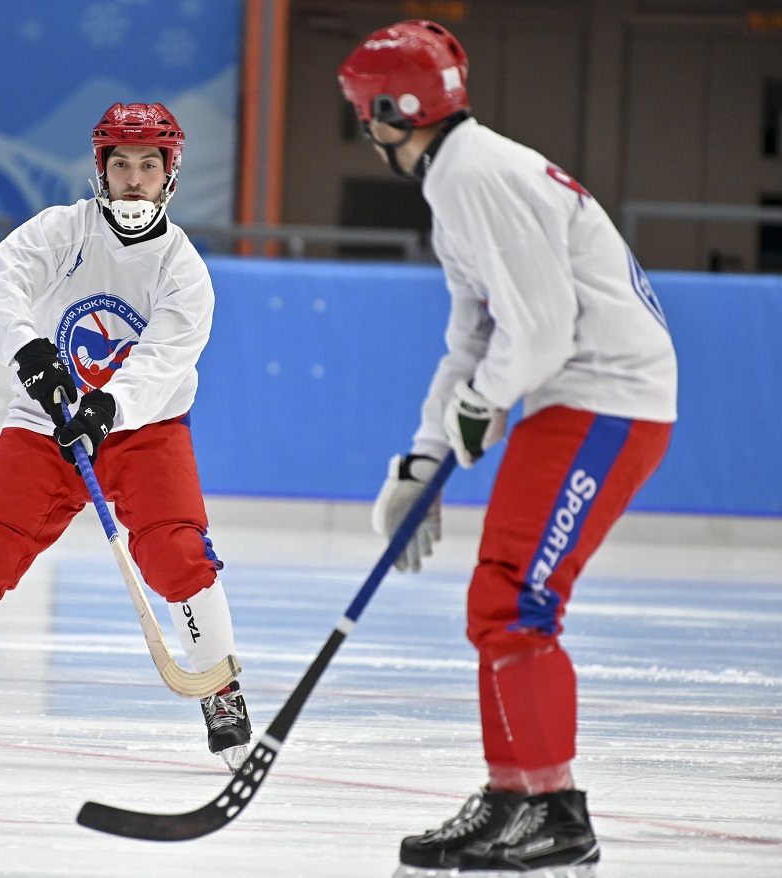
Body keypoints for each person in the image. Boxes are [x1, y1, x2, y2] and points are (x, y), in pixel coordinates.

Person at [338, 19, 677, 878]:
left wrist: (475, 417)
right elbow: (473, 335)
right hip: (581, 395)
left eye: (362, 112)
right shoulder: (459, 174)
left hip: (605, 398)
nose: (361, 128)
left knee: (519, 598)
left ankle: (552, 812)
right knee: (501, 598)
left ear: (390, 109)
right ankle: (515, 795)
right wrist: (422, 459)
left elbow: (540, 333)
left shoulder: (475, 175)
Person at [0, 103, 254, 772]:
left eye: (148, 165)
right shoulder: (62, 231)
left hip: (147, 428)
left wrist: (110, 404)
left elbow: (167, 356)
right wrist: (28, 351)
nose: (133, 179)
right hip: (44, 421)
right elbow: (0, 287)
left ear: (170, 173)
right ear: (100, 170)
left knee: (176, 552)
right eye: (121, 164)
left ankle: (220, 691)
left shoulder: (182, 267)